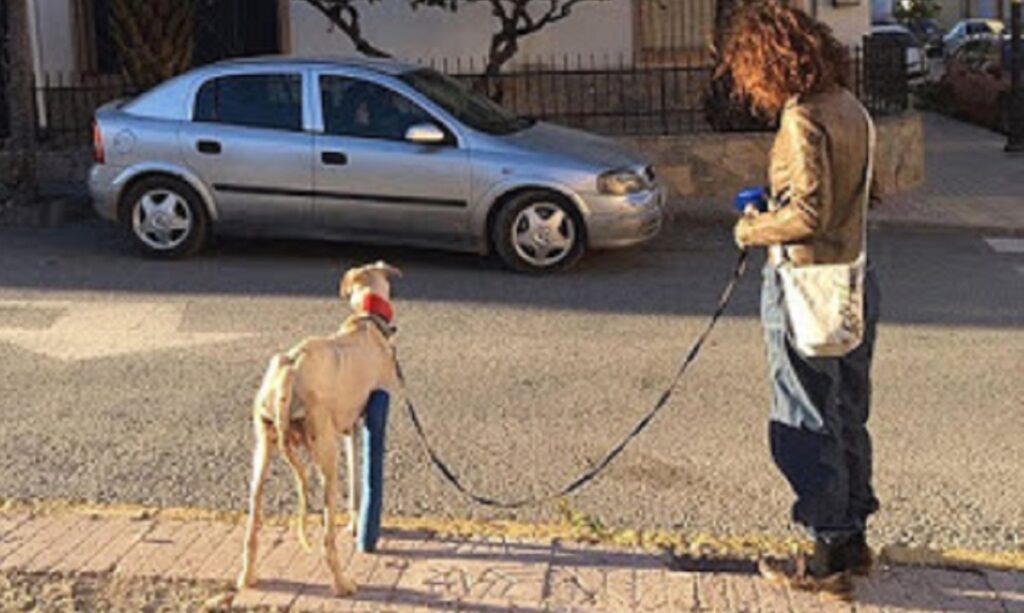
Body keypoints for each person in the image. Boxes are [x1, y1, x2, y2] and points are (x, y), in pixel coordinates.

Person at [720, 0, 882, 598]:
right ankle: (853, 539)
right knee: (845, 409)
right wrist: (780, 196)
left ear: (767, 61)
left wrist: (752, 227)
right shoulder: (853, 108)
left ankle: (824, 557)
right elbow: (870, 192)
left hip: (807, 284)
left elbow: (809, 214)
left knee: (802, 416)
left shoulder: (803, 116)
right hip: (857, 278)